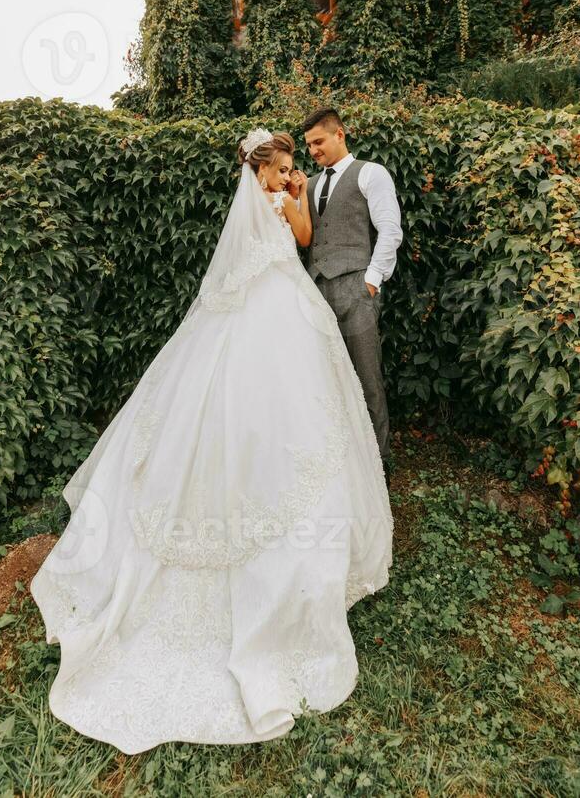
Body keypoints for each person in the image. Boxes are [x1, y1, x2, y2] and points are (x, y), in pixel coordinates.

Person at [30, 127, 393, 755]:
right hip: (273, 310)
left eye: (289, 167)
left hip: (273, 306)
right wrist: (294, 201)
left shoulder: (266, 198)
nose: (288, 173)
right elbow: (287, 246)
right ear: (267, 167)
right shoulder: (269, 198)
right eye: (283, 166)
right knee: (267, 415)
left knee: (275, 411)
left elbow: (285, 249)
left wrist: (298, 198)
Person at [302, 108, 403, 487]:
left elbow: (390, 230)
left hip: (356, 288)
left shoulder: (370, 173)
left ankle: (379, 464)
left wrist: (372, 281)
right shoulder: (307, 184)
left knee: (367, 376)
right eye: (309, 144)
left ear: (339, 134)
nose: (313, 150)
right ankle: (336, 462)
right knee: (323, 380)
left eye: (319, 142)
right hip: (315, 291)